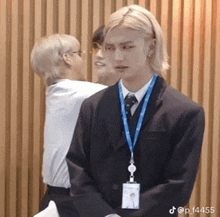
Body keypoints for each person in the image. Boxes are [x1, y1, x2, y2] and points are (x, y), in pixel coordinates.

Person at [65, 5, 205, 217]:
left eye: (127, 47)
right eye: (110, 48)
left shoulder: (184, 112)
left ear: (151, 46)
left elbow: (177, 186)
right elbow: (78, 169)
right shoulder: (92, 106)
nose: (117, 57)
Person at [31, 34, 107, 216]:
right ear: (67, 58)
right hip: (71, 200)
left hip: (60, 195)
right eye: (79, 53)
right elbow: (128, 94)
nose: (83, 59)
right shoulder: (73, 92)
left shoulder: (62, 91)